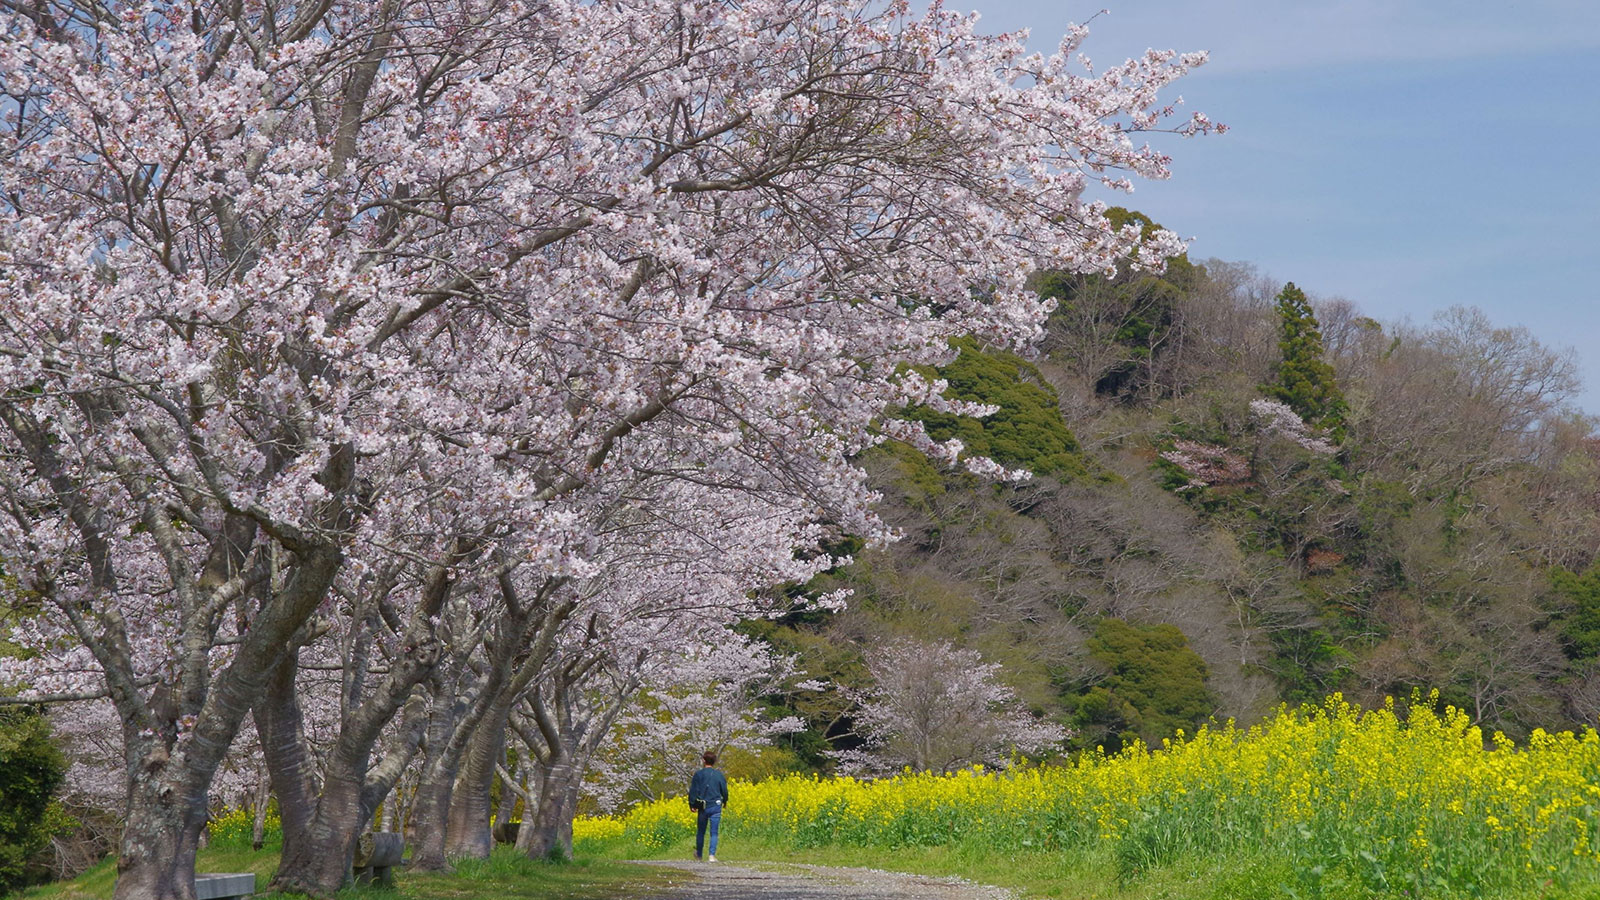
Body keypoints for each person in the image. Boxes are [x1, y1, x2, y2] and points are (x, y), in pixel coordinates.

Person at [688, 749, 729, 862]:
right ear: (714, 761)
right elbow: (724, 790)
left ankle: (699, 855)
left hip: (703, 806)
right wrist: (725, 801)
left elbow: (693, 791)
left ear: (703, 761)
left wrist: (692, 804)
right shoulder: (719, 775)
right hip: (716, 806)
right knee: (714, 832)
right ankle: (711, 856)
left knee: (701, 831)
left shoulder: (698, 774)